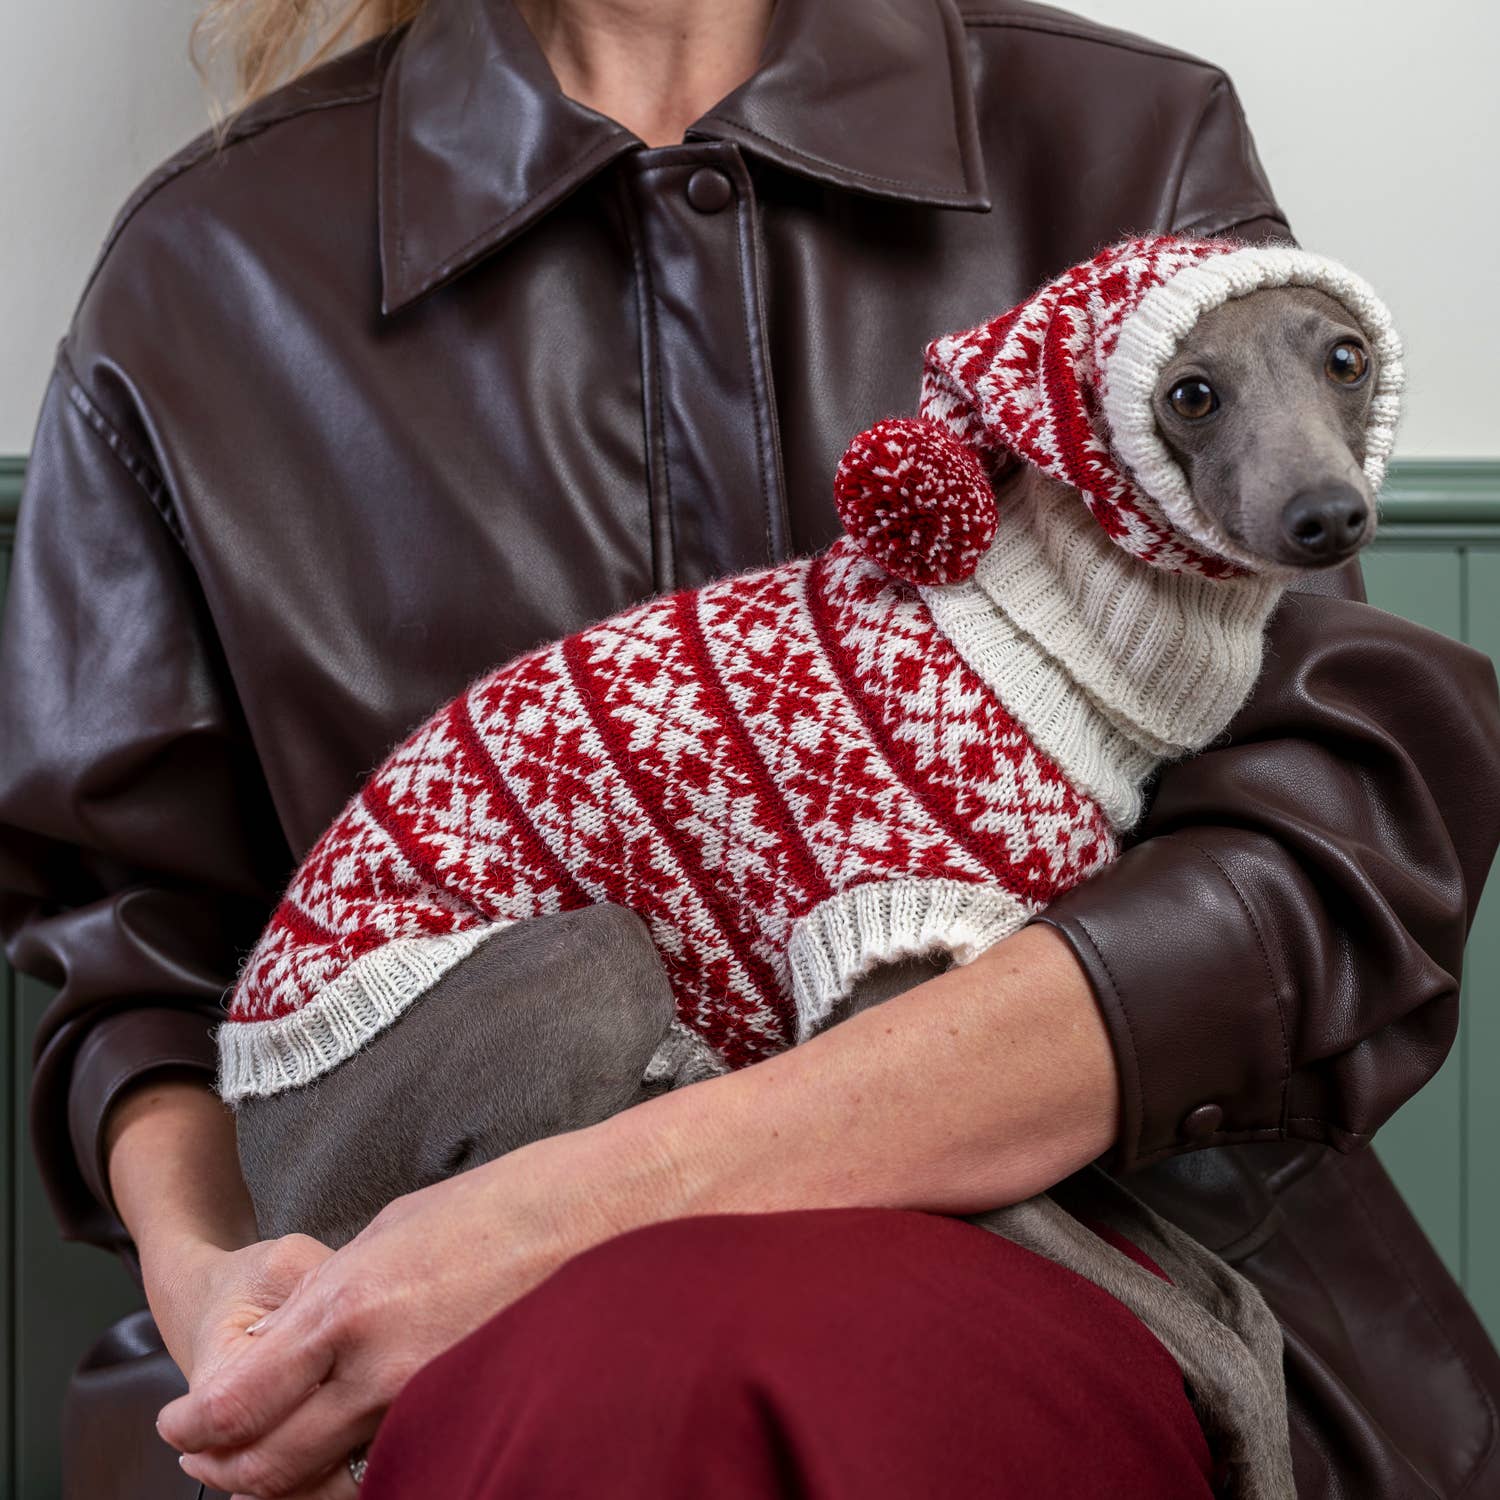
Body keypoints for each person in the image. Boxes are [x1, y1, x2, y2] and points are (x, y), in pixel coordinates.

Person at [3, 0, 1498, 1496]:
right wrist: (222, 1294)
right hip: (371, 1297)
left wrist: (596, 1205)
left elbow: (1292, 845)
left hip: (1075, 1235)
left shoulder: (1121, 138)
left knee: (682, 1367)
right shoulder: (206, 269)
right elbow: (138, 960)